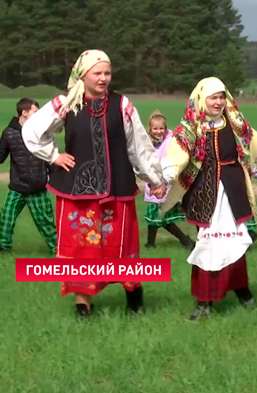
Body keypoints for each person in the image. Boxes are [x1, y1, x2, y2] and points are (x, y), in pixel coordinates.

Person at [22, 50, 165, 317]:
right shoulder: (66, 104)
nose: (103, 78)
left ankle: (134, 295)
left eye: (107, 73)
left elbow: (139, 145)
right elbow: (31, 131)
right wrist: (54, 155)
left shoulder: (122, 105)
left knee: (121, 245)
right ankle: (82, 302)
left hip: (116, 189)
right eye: (97, 73)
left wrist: (155, 178)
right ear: (83, 75)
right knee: (80, 248)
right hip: (76, 190)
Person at [160, 77, 257, 321]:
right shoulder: (191, 127)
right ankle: (204, 300)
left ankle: (242, 292)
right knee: (209, 243)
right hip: (205, 193)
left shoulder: (235, 122)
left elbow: (255, 144)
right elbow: (176, 156)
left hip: (233, 191)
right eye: (213, 97)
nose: (218, 102)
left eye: (221, 97)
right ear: (201, 99)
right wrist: (166, 177)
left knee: (235, 243)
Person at [0, 98, 56, 254]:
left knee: (46, 223)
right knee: (6, 219)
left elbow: (50, 158)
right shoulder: (9, 133)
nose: (38, 115)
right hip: (16, 187)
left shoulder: (41, 133)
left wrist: (56, 179)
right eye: (35, 112)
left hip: (37, 187)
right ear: (24, 113)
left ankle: (58, 250)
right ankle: (3, 247)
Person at [143, 110, 195, 250]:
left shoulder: (171, 141)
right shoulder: (148, 142)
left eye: (161, 128)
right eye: (155, 128)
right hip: (152, 182)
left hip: (165, 184)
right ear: (150, 129)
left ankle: (185, 241)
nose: (159, 131)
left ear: (166, 128)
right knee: (155, 217)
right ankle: (151, 243)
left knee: (160, 217)